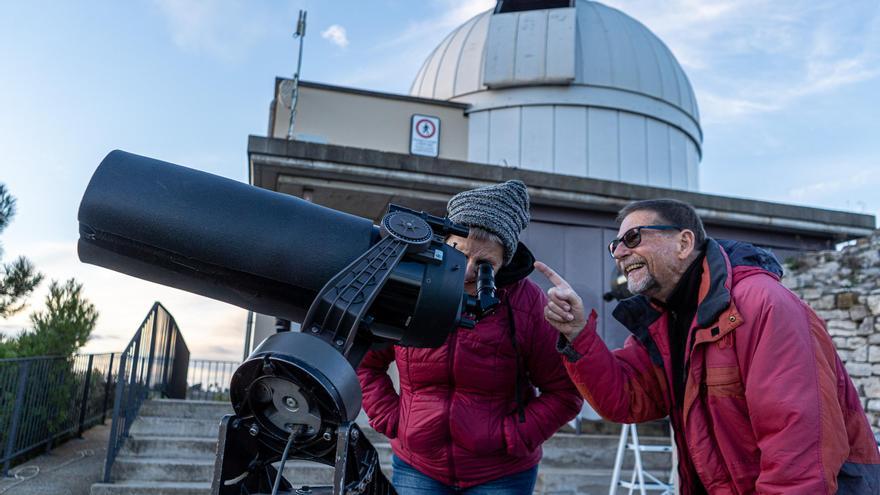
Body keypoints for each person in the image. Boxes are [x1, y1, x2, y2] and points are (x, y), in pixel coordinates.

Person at [535, 198, 880, 494]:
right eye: (615, 245)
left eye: (633, 238)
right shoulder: (666, 320)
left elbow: (798, 456)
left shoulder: (764, 306)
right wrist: (578, 332)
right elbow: (625, 398)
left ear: (684, 243)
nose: (620, 252)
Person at [357, 180, 582, 494]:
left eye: (485, 264)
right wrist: (393, 420)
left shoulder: (529, 305)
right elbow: (367, 363)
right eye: (458, 254)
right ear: (445, 239)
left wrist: (512, 436)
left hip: (499, 473)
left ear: (505, 264)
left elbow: (564, 392)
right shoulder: (410, 287)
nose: (466, 272)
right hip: (419, 465)